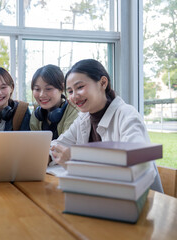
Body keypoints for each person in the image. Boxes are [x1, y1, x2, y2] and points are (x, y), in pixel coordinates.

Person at [50, 59, 163, 192]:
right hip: (102, 196)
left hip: (140, 200)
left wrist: (78, 163)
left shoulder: (127, 115)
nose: (74, 96)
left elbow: (140, 167)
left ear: (103, 83)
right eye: (70, 91)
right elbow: (59, 145)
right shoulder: (83, 119)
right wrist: (46, 155)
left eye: (80, 87)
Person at [30, 64, 78, 140]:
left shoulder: (73, 109)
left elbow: (66, 142)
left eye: (48, 89)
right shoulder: (37, 112)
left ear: (62, 88)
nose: (42, 95)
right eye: (37, 89)